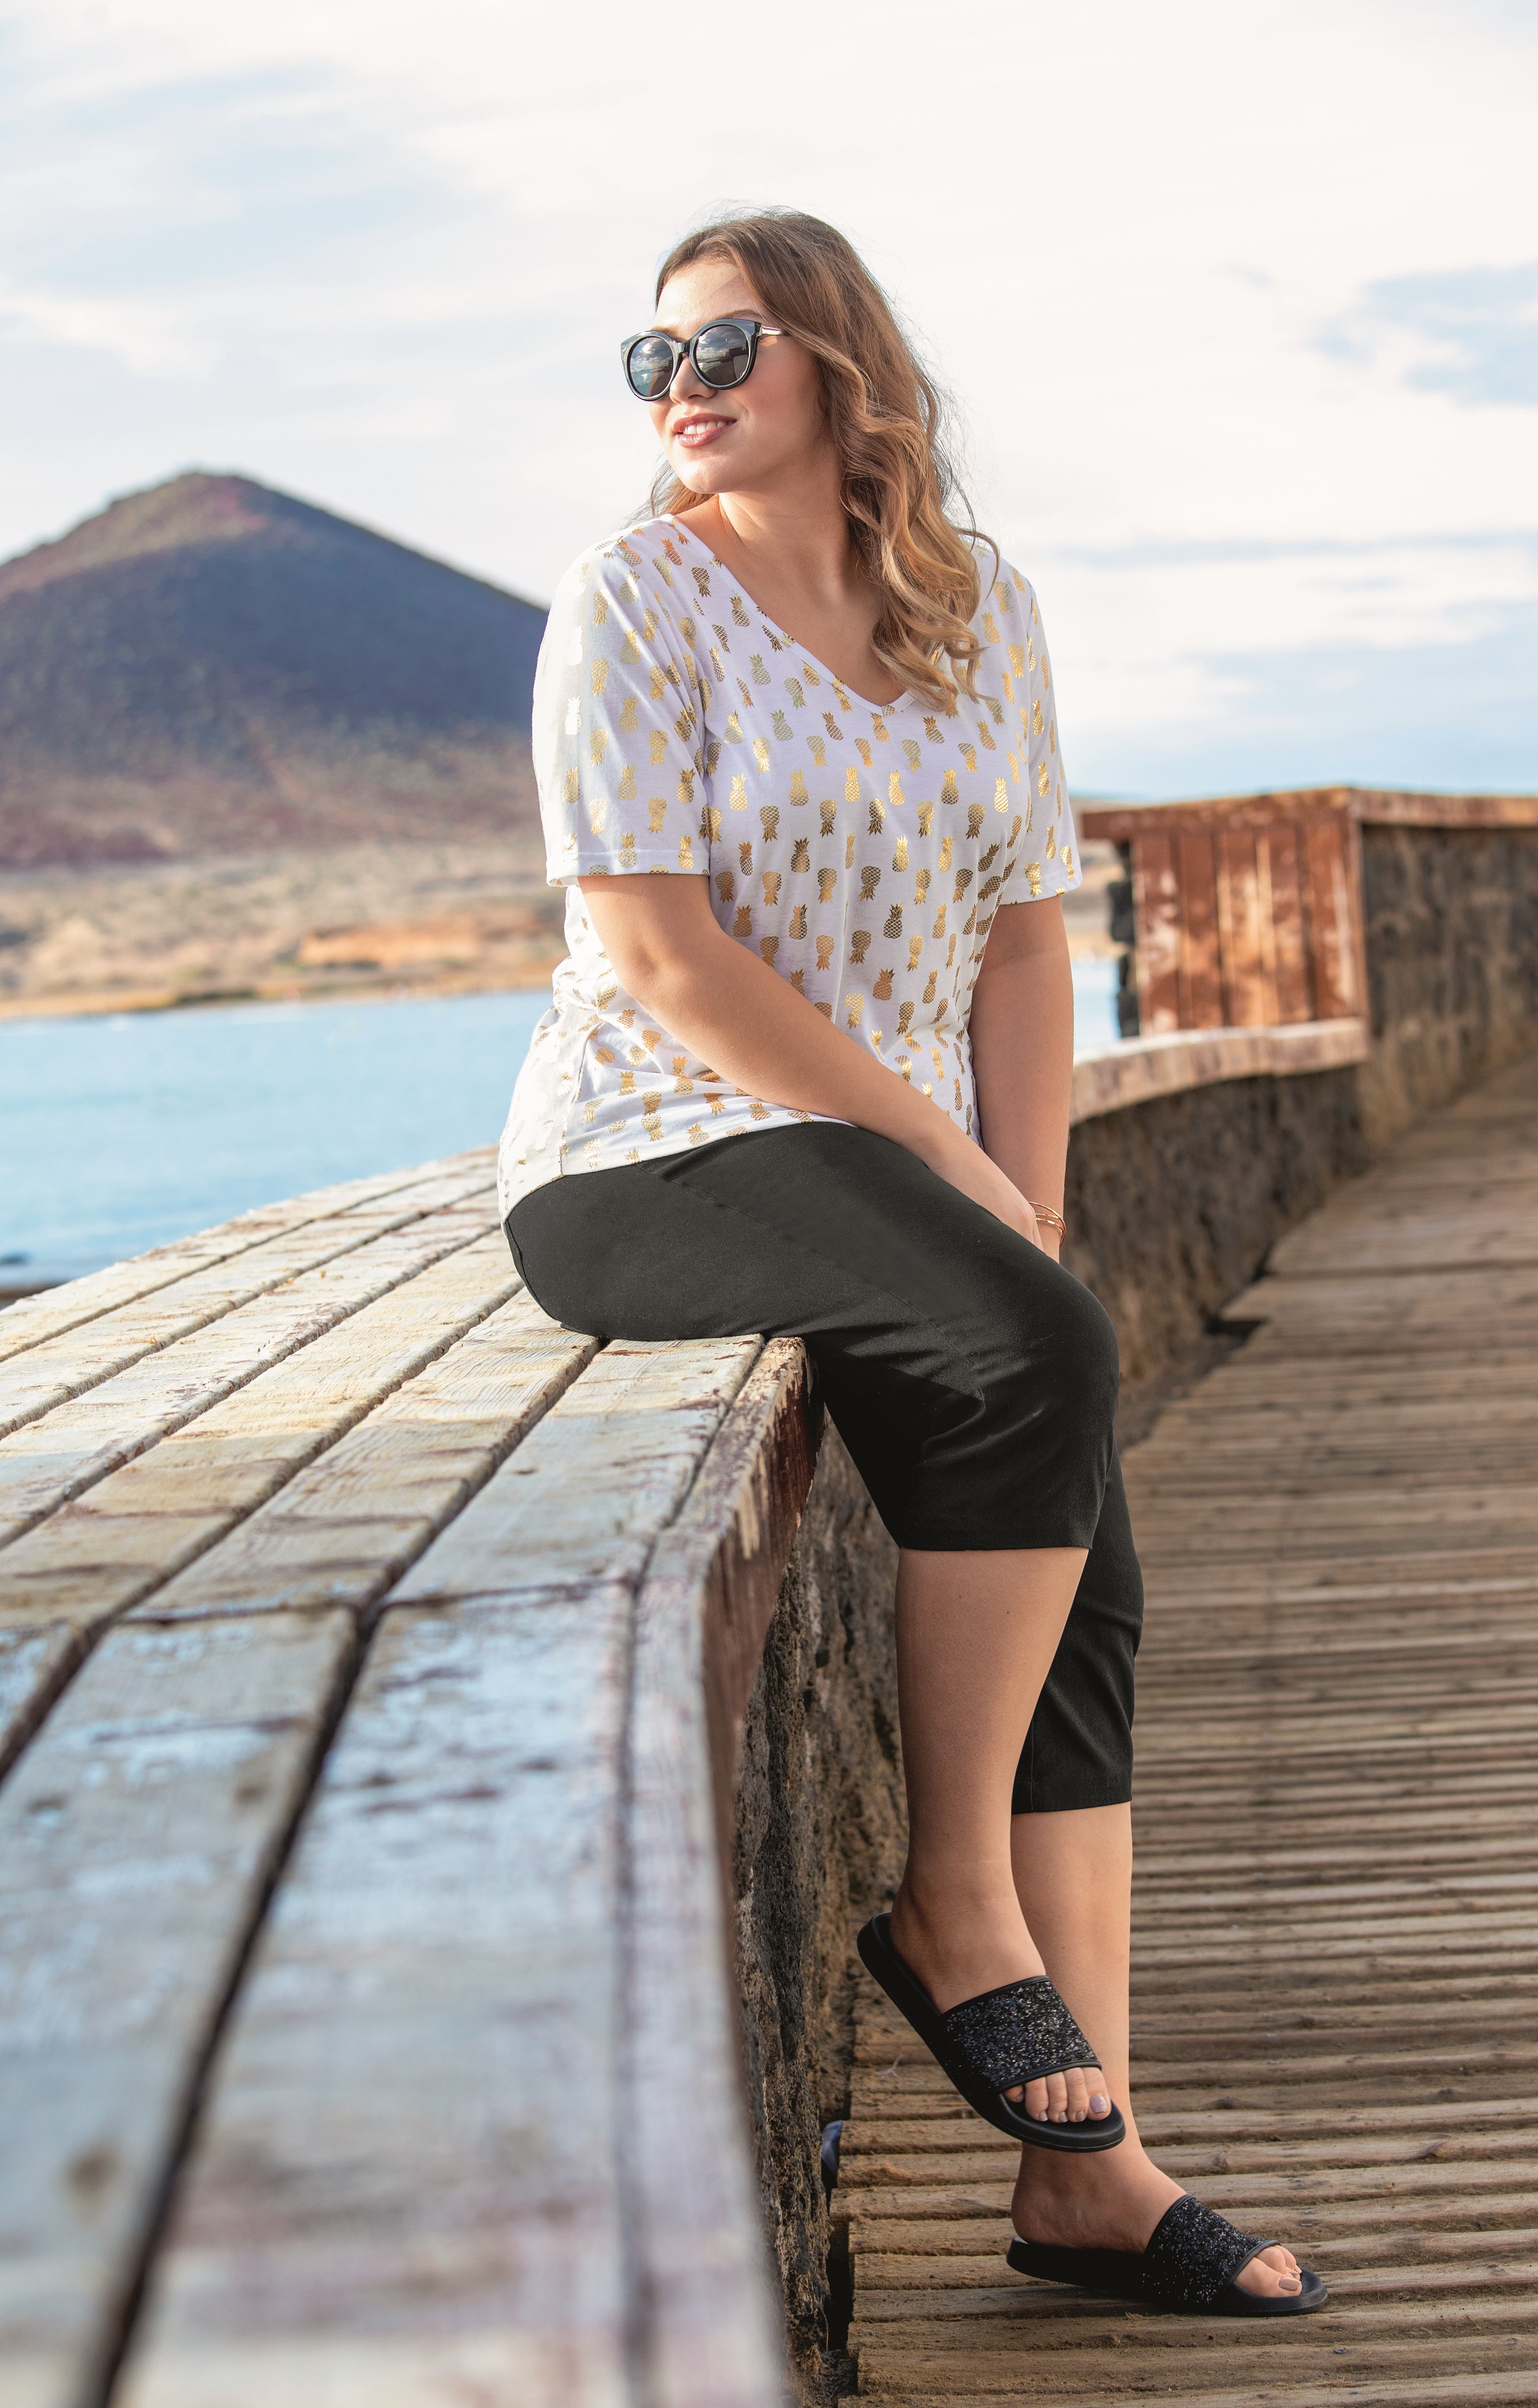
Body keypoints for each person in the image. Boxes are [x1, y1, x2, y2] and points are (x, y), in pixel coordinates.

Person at [498, 208, 1322, 2319]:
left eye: (725, 346)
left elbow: (1030, 936)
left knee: (1082, 1561)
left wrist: (1019, 1199)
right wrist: (948, 1162)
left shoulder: (978, 611)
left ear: (841, 367)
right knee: (1034, 1350)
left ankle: (1088, 2181)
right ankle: (956, 1903)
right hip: (651, 1155)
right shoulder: (630, 601)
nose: (681, 388)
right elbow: (662, 957)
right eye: (654, 357)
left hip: (896, 1171)